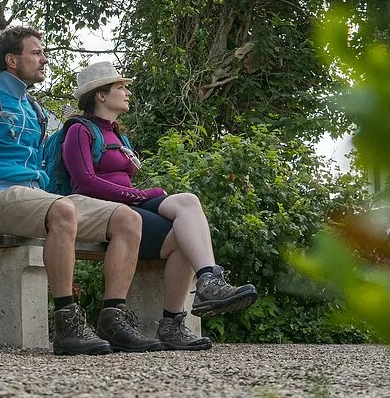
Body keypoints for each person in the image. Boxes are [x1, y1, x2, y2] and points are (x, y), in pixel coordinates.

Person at [0, 27, 162, 356]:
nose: (44, 59)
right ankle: (67, 323)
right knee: (63, 210)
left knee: (128, 219)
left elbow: (41, 170)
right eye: (36, 53)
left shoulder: (34, 109)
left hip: (38, 199)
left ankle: (113, 319)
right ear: (11, 60)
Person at [62, 61, 258, 351]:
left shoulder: (119, 135)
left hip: (129, 206)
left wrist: (138, 196)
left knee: (188, 206)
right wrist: (139, 196)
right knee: (182, 232)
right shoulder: (79, 131)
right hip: (102, 214)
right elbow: (85, 181)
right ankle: (179, 315)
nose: (128, 92)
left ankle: (203, 286)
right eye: (120, 87)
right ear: (100, 95)